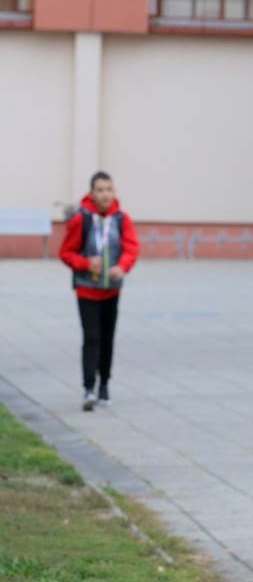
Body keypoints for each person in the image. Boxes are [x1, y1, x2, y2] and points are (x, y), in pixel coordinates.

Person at [58, 171, 140, 412]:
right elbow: (66, 253)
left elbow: (131, 247)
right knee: (91, 337)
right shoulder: (81, 220)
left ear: (114, 192)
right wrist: (85, 263)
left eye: (109, 189)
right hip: (87, 289)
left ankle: (104, 384)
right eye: (100, 190)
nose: (105, 194)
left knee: (107, 338)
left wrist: (122, 267)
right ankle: (88, 388)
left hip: (111, 290)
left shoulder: (121, 219)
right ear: (92, 193)